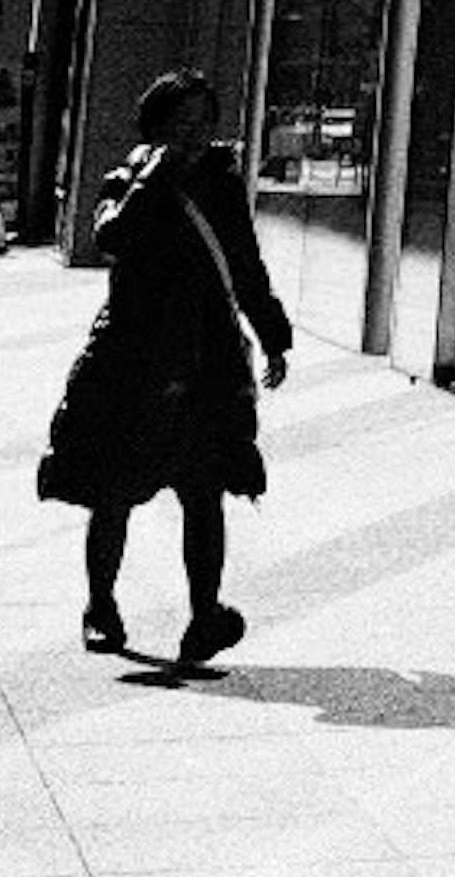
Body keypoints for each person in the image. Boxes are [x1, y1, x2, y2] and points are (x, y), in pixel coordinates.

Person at [34, 69, 289, 664]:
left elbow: (245, 266)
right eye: (182, 123)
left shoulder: (222, 187)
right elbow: (113, 237)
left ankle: (205, 614)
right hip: (136, 360)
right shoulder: (125, 181)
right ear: (155, 127)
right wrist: (156, 174)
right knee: (114, 490)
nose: (196, 134)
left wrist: (273, 335)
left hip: (206, 361)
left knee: (205, 494)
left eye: (205, 121)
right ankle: (101, 605)